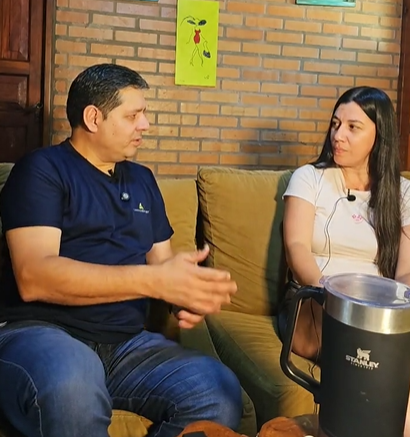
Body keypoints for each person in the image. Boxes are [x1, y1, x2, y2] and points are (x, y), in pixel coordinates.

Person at [0, 63, 242, 437]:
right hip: (43, 333)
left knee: (219, 391)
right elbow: (34, 276)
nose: (145, 125)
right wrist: (155, 280)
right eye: (133, 115)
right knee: (73, 384)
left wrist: (185, 293)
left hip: (126, 345)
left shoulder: (142, 180)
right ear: (93, 118)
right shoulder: (43, 170)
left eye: (144, 114)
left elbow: (162, 264)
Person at [277, 86, 410, 436]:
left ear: (379, 136)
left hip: (378, 315)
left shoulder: (402, 193)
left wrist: (393, 313)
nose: (338, 135)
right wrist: (333, 297)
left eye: (353, 127)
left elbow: (406, 272)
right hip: (317, 302)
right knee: (380, 356)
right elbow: (296, 248)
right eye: (336, 124)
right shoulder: (310, 178)